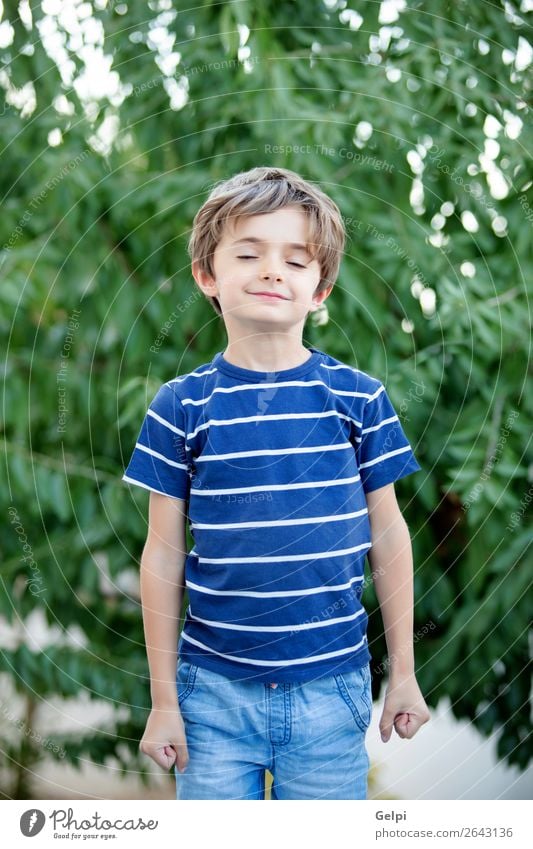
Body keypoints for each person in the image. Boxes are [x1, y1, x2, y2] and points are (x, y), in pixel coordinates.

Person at [121, 166, 430, 800]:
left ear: (321, 289)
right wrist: (163, 700)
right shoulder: (181, 407)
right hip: (211, 697)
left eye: (296, 260)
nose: (272, 271)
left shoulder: (359, 400)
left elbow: (389, 535)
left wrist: (403, 671)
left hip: (331, 692)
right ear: (208, 274)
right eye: (249, 253)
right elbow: (162, 552)